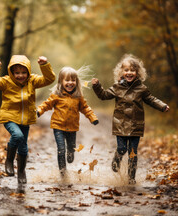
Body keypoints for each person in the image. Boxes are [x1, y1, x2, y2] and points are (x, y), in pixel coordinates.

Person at [92, 54, 169, 184]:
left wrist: (162, 106)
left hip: (135, 125)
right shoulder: (117, 87)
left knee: (133, 153)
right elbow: (104, 95)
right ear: (121, 72)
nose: (129, 72)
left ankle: (131, 178)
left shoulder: (142, 88)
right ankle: (117, 159)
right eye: (126, 70)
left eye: (132, 70)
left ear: (137, 73)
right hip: (120, 124)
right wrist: (97, 86)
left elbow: (151, 99)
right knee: (122, 149)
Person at [0, 55, 55, 184]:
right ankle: (9, 160)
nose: (20, 75)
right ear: (11, 72)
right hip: (9, 117)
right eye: (16, 73)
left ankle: (21, 171)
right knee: (17, 135)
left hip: (26, 119)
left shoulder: (32, 81)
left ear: (28, 71)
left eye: (23, 72)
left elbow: (49, 79)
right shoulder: (6, 82)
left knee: (23, 146)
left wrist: (44, 65)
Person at [37, 66, 99, 176]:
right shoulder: (56, 95)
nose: (70, 83)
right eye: (67, 80)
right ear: (61, 81)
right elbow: (46, 104)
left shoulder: (78, 97)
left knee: (71, 149)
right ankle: (63, 171)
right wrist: (39, 111)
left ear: (76, 82)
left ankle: (71, 152)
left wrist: (92, 118)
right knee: (61, 149)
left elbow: (85, 108)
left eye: (73, 80)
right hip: (58, 126)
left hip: (72, 128)